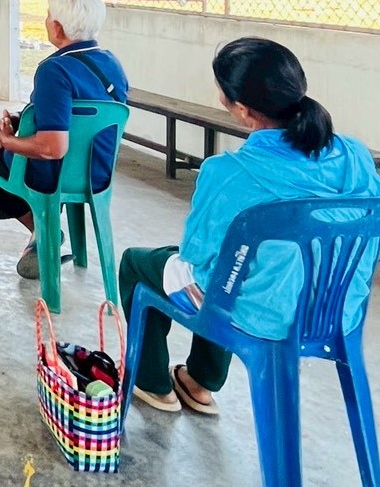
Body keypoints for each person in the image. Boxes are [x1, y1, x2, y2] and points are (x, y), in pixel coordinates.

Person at [121, 37, 380, 416]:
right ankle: (199, 382)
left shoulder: (228, 173)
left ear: (242, 110)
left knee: (142, 265)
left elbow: (195, 254)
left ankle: (154, 385)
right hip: (338, 309)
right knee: (237, 268)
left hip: (263, 317)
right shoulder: (355, 154)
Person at [0, 0, 129, 279]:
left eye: (48, 16)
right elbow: (80, 116)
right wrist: (25, 120)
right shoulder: (111, 62)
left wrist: (9, 140)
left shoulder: (54, 70)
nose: (46, 21)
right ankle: (43, 229)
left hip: (52, 173)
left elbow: (52, 147)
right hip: (96, 173)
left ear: (58, 28)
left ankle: (42, 227)